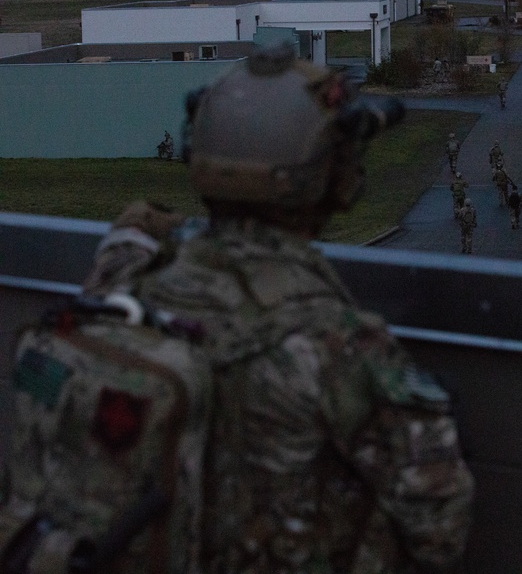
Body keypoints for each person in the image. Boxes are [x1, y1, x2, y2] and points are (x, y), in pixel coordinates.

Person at [84, 45, 475, 572]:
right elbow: (438, 527)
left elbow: (134, 229)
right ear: (333, 178)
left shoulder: (122, 285)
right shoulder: (335, 346)